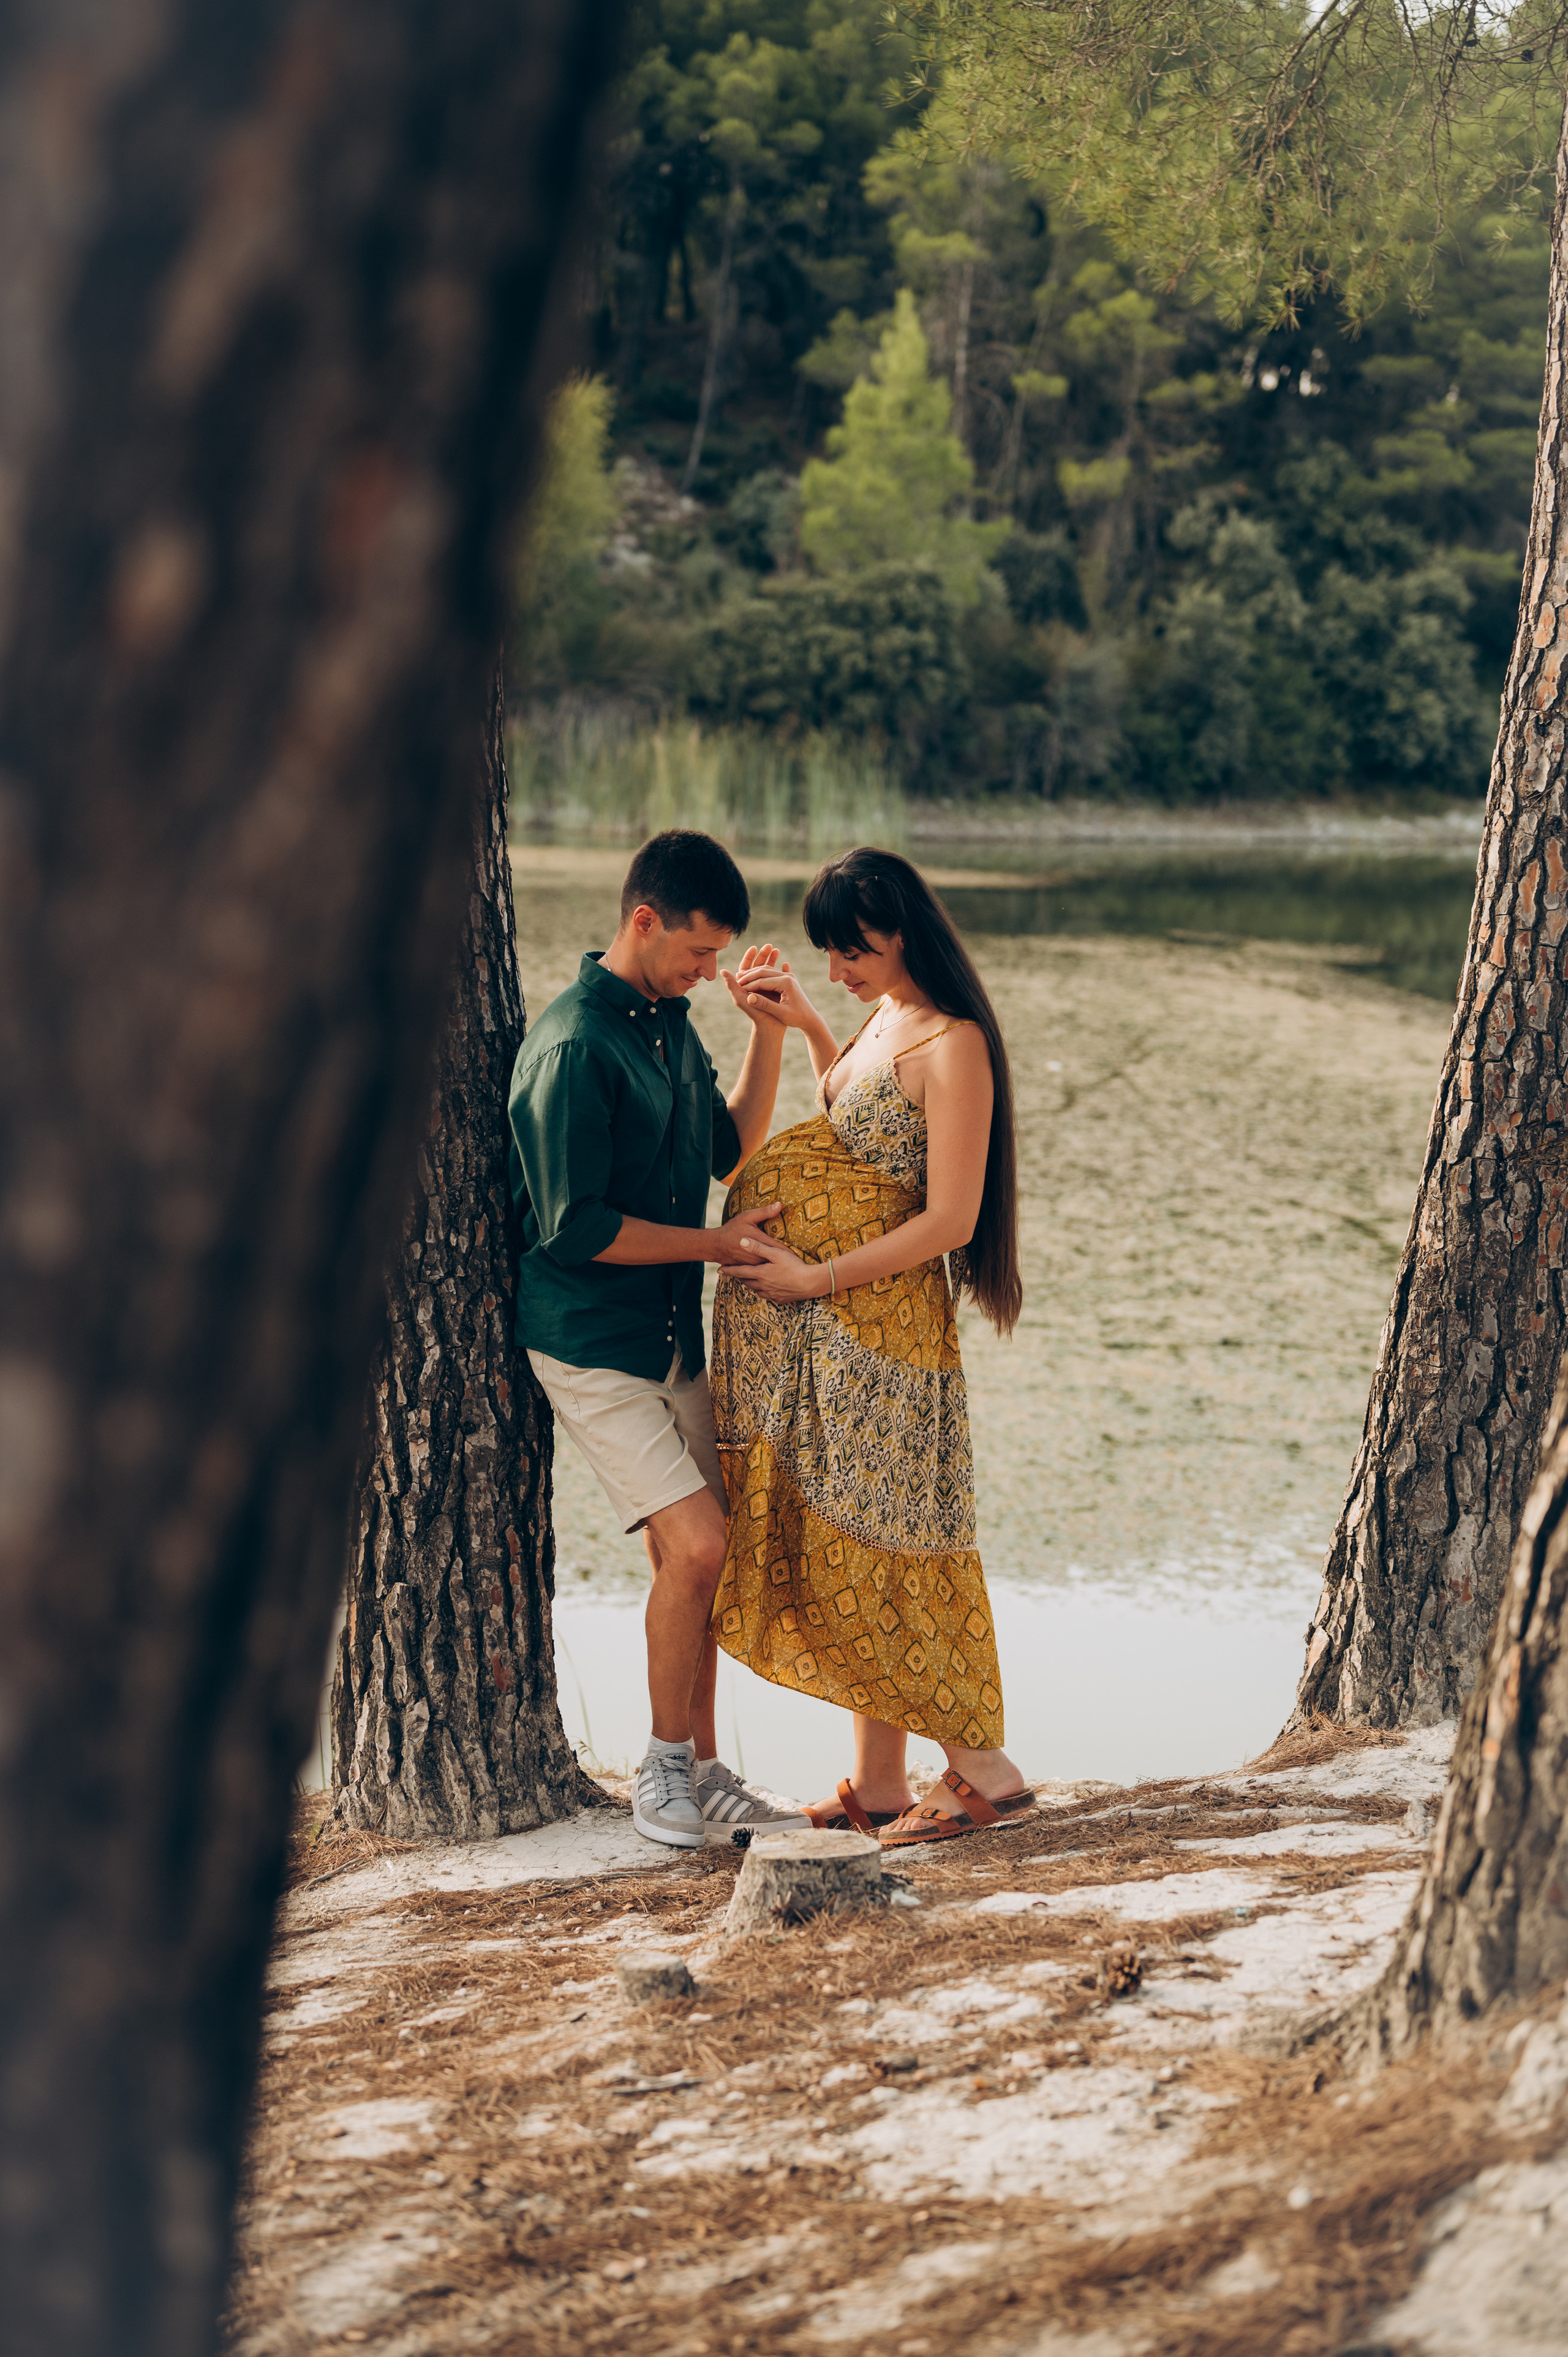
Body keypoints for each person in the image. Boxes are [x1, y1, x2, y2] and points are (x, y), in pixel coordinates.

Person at [708, 847, 1033, 1846]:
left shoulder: (955, 1043)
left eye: (853, 953)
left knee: (897, 1546)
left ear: (901, 932)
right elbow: (859, 1140)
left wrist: (815, 1277)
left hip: (887, 1338)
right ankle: (880, 1784)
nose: (841, 970)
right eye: (833, 956)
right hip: (839, 1338)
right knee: (854, 1536)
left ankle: (985, 1772)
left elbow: (948, 1218)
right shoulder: (886, 1019)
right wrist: (809, 1026)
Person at [507, 829, 810, 1849]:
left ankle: (706, 1770)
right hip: (592, 1342)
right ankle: (662, 1774)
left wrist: (767, 1031)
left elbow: (732, 1146)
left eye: (721, 956)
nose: (709, 971)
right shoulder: (573, 1046)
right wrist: (717, 1243)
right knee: (701, 1545)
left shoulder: (670, 1024)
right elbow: (575, 1226)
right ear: (644, 922)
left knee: (705, 1564)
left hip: (673, 1332)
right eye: (698, 952)